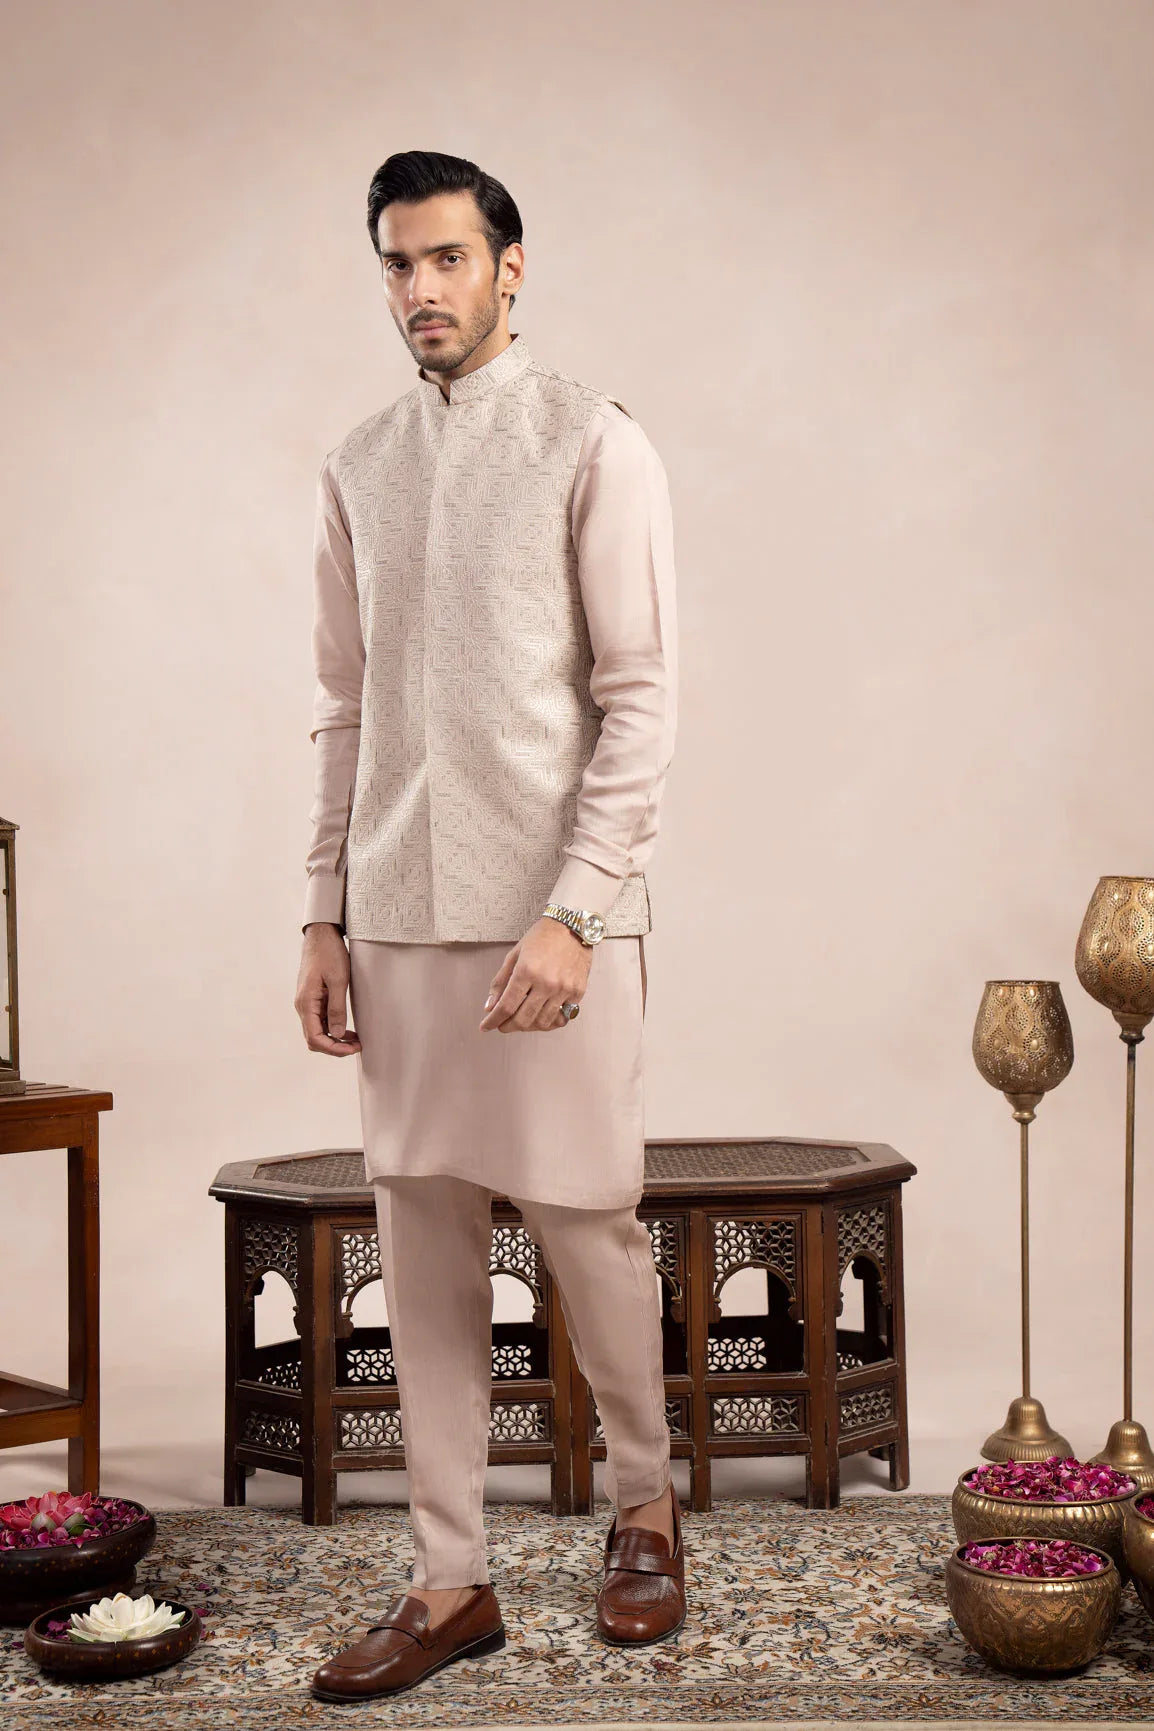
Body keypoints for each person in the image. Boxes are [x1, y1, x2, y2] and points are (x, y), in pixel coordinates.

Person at [294, 149, 680, 1704]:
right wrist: (320, 915)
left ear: (510, 267)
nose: (421, 290)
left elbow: (638, 698)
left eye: (448, 258)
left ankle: (644, 1508)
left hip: (554, 918)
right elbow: (342, 709)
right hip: (396, 916)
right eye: (398, 263)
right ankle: (448, 1579)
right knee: (423, 1246)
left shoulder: (594, 439)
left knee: (589, 1225)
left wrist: (575, 912)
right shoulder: (356, 464)